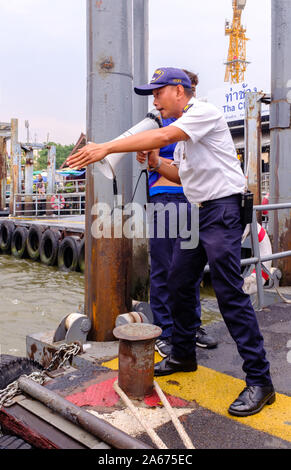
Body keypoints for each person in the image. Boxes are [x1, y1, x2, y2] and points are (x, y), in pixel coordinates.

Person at [67, 67, 275, 417]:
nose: (155, 101)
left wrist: (107, 147)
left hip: (223, 209)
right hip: (200, 209)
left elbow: (163, 137)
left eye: (158, 93)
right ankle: (183, 354)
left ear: (180, 91)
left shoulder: (202, 113)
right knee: (179, 281)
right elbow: (180, 175)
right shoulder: (183, 134)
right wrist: (155, 163)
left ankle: (260, 380)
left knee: (228, 293)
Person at [140, 69, 217, 358]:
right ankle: (164, 329)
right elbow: (151, 156)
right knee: (163, 266)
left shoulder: (197, 119)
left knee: (191, 268)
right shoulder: (155, 123)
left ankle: (189, 326)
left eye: (193, 87)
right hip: (163, 196)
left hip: (192, 198)